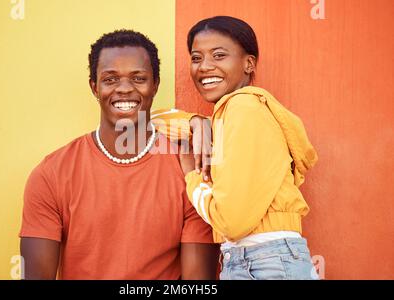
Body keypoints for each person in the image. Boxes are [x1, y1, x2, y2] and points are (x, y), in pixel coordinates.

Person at [19, 29, 218, 280]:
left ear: (155, 85)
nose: (124, 89)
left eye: (138, 78)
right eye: (111, 79)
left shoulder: (188, 171)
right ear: (94, 87)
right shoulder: (52, 174)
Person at [176, 16, 320, 280]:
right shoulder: (231, 116)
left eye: (219, 55)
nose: (204, 67)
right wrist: (194, 121)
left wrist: (192, 177)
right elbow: (152, 121)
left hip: (265, 263)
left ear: (248, 63)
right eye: (196, 58)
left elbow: (233, 223)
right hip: (261, 259)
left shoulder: (244, 109)